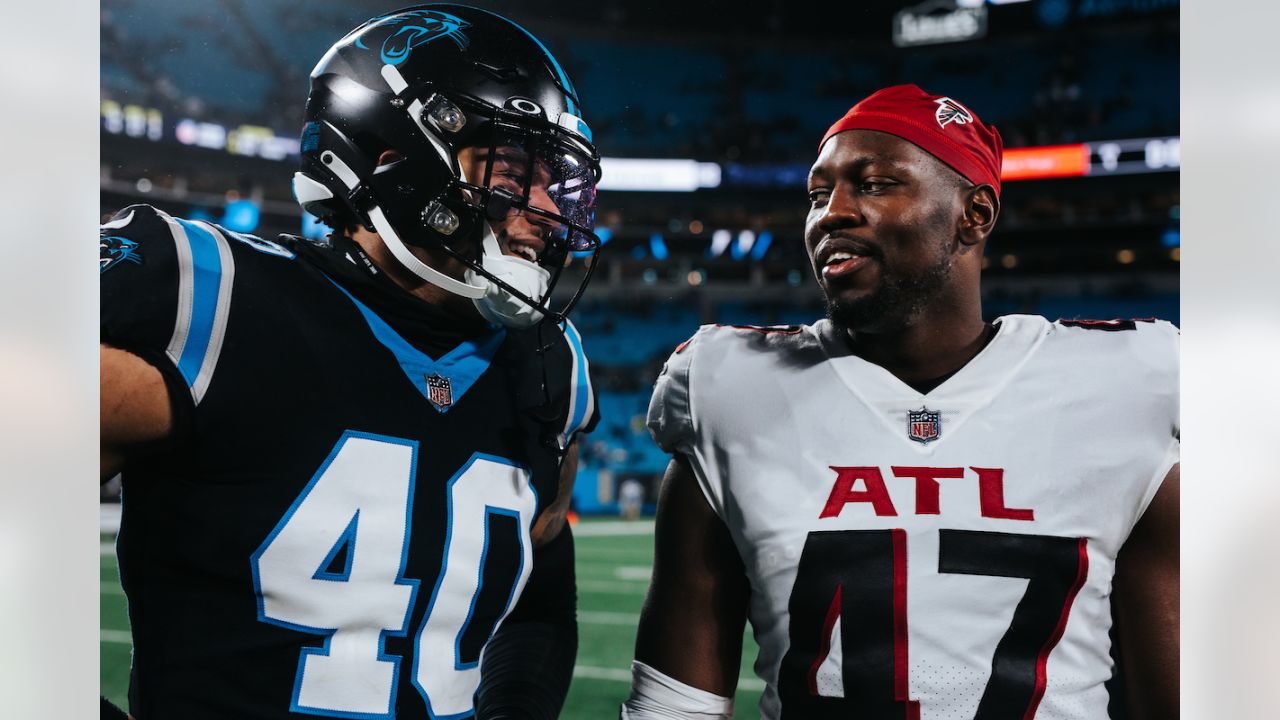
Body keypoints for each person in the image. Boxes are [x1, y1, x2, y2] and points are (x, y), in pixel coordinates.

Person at [99, 5, 603, 718]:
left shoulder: (550, 363)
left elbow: (539, 596)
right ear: (391, 158)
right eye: (513, 171)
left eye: (558, 179)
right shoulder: (208, 298)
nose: (546, 209)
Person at [623, 84, 1178, 719]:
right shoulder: (731, 388)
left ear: (975, 214)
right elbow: (674, 707)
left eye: (876, 184)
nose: (831, 212)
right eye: (816, 193)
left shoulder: (1127, 386)